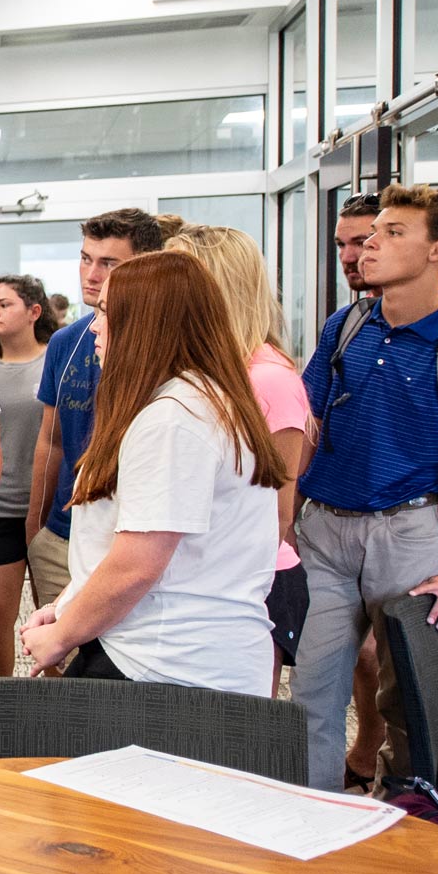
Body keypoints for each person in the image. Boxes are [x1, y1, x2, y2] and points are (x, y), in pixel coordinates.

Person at [291, 185, 438, 793]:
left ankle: (405, 816)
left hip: (411, 531)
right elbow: (308, 426)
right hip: (326, 531)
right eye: (375, 232)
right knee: (313, 689)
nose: (371, 244)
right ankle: (309, 808)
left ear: (437, 251)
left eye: (394, 233)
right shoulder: (345, 325)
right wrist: (286, 519)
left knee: (409, 698)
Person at [18, 251, 285, 692]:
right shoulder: (198, 400)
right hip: (164, 653)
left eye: (106, 313)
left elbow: (137, 566)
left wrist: (61, 636)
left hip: (165, 665)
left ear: (148, 324)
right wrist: (68, 605)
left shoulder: (174, 419)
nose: (95, 328)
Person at [167, 226, 312, 679]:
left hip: (249, 584)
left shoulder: (268, 379)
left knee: (234, 734)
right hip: (199, 580)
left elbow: (278, 515)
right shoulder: (206, 370)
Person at [26, 209, 166, 615]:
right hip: (62, 535)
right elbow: (51, 442)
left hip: (128, 542)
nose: (91, 273)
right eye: (86, 258)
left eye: (109, 263)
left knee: (112, 671)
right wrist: (34, 529)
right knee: (55, 661)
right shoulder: (66, 341)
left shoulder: (162, 345)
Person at [0, 275, 56, 684]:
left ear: (34, 312)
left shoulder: (52, 360)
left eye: (4, 304)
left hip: (48, 508)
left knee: (57, 622)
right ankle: (1, 701)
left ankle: (60, 704)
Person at [331, 192, 387, 787]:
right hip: (334, 518)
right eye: (343, 244)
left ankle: (385, 763)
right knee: (343, 661)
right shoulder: (345, 323)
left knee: (387, 660)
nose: (353, 255)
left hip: (410, 518)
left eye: (366, 241)